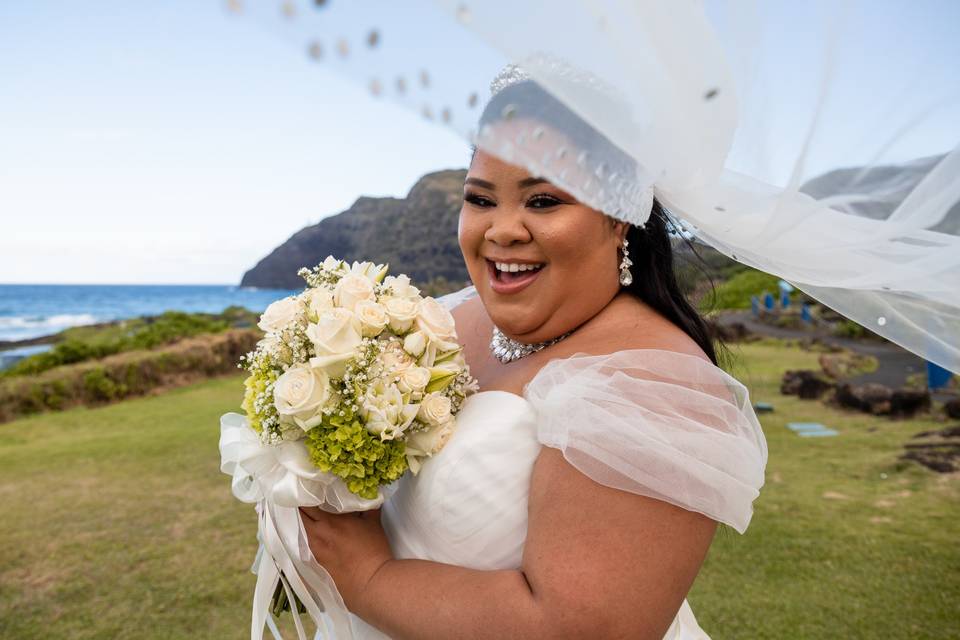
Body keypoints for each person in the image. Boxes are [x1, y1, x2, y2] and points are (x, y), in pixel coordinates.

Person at [297, 75, 767, 639]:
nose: (503, 230)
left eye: (543, 201)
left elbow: (584, 628)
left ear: (618, 216)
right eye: (480, 199)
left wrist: (367, 577)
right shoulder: (446, 320)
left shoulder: (650, 380)